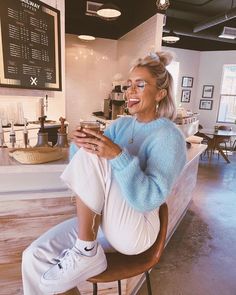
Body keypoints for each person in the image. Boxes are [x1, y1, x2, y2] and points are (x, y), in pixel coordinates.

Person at [22, 51, 187, 295]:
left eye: (140, 85)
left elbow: (149, 200)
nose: (130, 92)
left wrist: (116, 156)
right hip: (105, 222)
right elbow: (87, 171)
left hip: (137, 229)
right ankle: (85, 249)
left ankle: (86, 250)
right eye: (128, 85)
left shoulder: (169, 136)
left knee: (96, 150)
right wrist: (78, 144)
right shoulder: (121, 125)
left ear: (160, 94)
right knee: (34, 256)